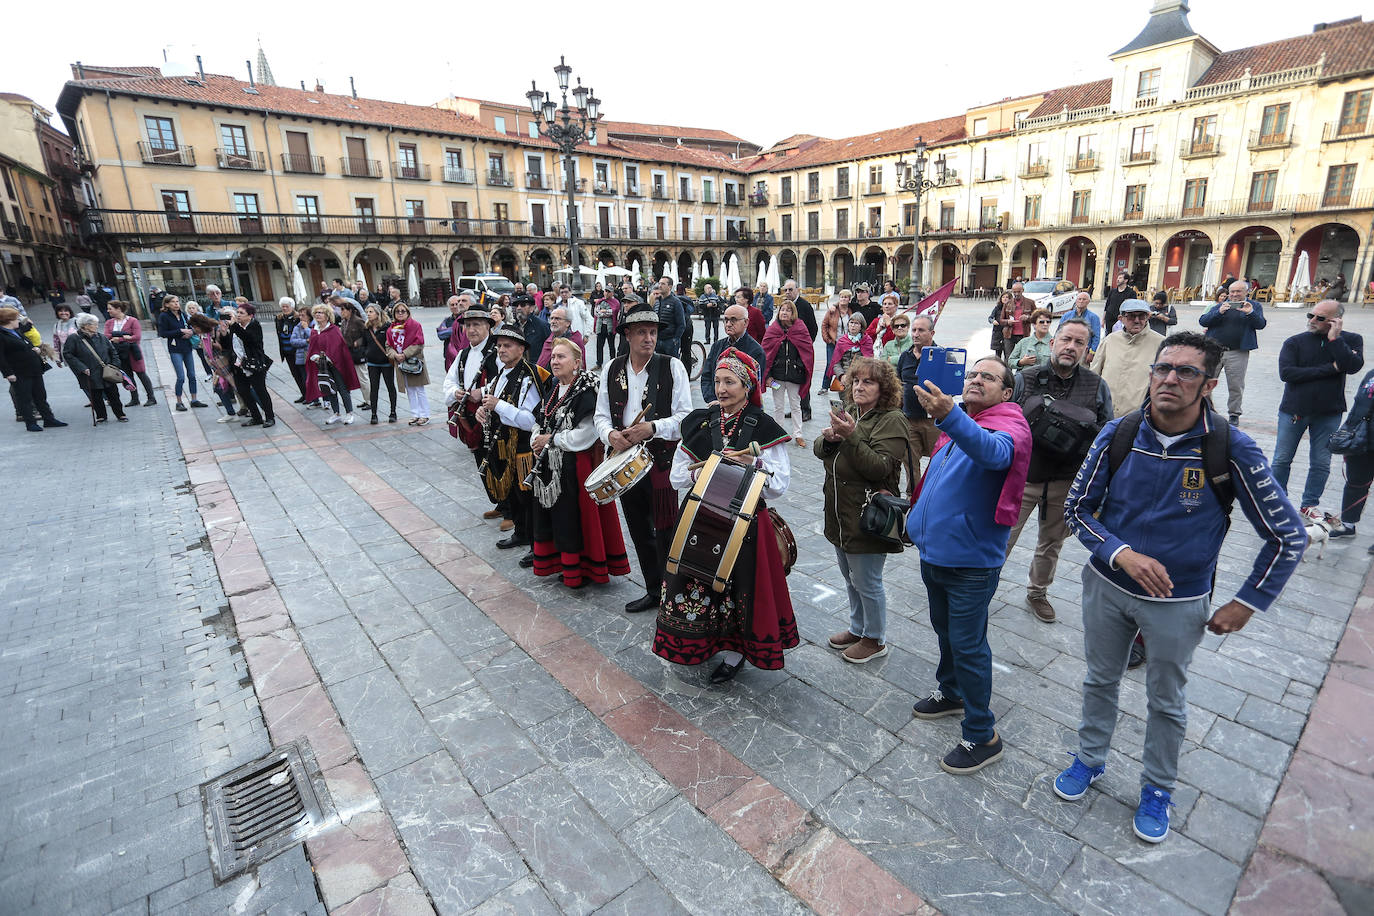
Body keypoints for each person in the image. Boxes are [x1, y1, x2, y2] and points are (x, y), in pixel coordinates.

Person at [1060, 331, 1306, 843]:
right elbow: (1076, 509)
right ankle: (1090, 758)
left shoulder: (1229, 447)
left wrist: (1248, 602)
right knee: (1100, 679)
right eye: (1162, 368)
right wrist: (1119, 552)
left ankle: (1157, 787)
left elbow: (1287, 536)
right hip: (1107, 585)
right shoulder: (1120, 432)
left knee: (1165, 699)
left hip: (1179, 601)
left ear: (1210, 384)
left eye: (1186, 371)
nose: (1170, 378)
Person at [907, 356, 1032, 774]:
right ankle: (951, 690)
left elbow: (995, 455)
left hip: (971, 564)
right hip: (936, 553)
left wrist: (951, 417)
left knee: (969, 645)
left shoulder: (1008, 423)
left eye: (988, 376)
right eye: (973, 374)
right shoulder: (962, 422)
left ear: (1007, 392)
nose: (976, 379)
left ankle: (983, 734)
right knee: (945, 631)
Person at [657, 348, 798, 683]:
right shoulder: (698, 422)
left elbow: (779, 486)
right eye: (718, 380)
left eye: (730, 382)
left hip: (745, 524)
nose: (721, 388)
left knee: (740, 588)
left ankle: (735, 653)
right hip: (699, 518)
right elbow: (677, 476)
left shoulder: (764, 427)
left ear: (747, 386)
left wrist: (755, 465)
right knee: (695, 582)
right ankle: (699, 643)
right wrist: (701, 472)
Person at [1006, 318, 1112, 622]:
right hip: (1023, 476)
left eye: (1080, 342)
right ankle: (982, 587)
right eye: (1066, 339)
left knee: (1051, 543)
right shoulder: (1025, 378)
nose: (1071, 347)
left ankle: (1037, 592)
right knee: (1002, 538)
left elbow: (1106, 436)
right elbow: (1005, 419)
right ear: (1053, 342)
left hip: (1067, 480)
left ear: (1087, 350)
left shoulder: (1096, 386)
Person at [594, 302, 692, 613]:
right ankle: (653, 589)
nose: (649, 338)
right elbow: (600, 416)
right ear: (627, 335)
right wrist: (611, 435)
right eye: (641, 333)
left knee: (666, 532)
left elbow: (686, 418)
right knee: (638, 528)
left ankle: (673, 592)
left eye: (652, 332)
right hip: (625, 461)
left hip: (661, 462)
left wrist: (651, 427)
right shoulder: (611, 368)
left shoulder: (672, 366)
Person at [817, 357, 910, 664]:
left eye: (868, 381)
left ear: (883, 389)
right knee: (850, 577)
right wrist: (828, 439)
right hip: (842, 515)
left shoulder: (892, 419)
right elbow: (821, 450)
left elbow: (879, 467)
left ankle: (875, 638)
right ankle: (858, 628)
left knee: (868, 581)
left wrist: (850, 435)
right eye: (856, 380)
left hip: (868, 516)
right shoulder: (853, 412)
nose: (858, 386)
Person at [528, 337, 631, 588]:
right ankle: (561, 562)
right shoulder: (555, 388)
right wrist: (535, 438)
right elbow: (540, 419)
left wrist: (550, 439)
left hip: (577, 466)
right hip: (551, 465)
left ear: (577, 363)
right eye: (553, 356)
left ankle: (581, 568)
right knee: (556, 516)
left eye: (560, 357)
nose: (554, 361)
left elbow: (587, 434)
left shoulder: (587, 388)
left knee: (575, 518)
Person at [1273, 300, 1364, 518]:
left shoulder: (1350, 340)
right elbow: (1287, 374)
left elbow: (1352, 367)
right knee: (1282, 459)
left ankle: (1309, 504)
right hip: (1294, 410)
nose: (1312, 321)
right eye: (1311, 315)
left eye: (1320, 318)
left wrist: (1335, 340)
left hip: (1329, 412)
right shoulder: (1294, 342)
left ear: (1336, 321)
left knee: (1321, 462)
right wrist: (1330, 369)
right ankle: (1278, 501)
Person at [476, 323, 546, 558]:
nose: (501, 350)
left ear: (521, 348)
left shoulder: (529, 377)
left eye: (507, 345)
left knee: (528, 497)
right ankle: (521, 532)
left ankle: (538, 546)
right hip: (503, 445)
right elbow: (491, 404)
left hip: (524, 448)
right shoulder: (500, 375)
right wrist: (483, 411)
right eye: (499, 346)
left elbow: (529, 420)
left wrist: (499, 406)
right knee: (513, 495)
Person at [444, 304, 499, 506]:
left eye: (476, 324)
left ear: (488, 326)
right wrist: (455, 392)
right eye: (467, 325)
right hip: (469, 418)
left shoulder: (497, 349)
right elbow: (449, 382)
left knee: (497, 462)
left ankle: (509, 508)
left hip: (492, 417)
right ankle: (497, 502)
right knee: (481, 462)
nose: (471, 330)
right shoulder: (464, 354)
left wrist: (482, 392)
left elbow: (506, 378)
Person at [1198, 280, 1266, 424]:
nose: (1234, 295)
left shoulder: (1254, 306)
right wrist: (1220, 312)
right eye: (1232, 292)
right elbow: (1203, 321)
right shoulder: (1219, 306)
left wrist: (1250, 313)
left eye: (1238, 291)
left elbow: (1261, 324)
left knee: (1235, 385)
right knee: (1206, 381)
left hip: (1238, 352)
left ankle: (1234, 414)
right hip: (1214, 350)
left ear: (1246, 292)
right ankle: (1205, 409)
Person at [1092, 300, 1164, 418]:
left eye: (1141, 316)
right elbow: (1094, 375)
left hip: (1136, 419)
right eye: (1131, 316)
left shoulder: (1161, 344)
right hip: (1102, 414)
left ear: (1147, 317)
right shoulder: (1110, 341)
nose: (1137, 320)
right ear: (1121, 318)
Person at [0, 306, 66, 431]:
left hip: (33, 368)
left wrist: (34, 348)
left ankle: (49, 419)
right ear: (8, 320)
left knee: (40, 395)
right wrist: (8, 373)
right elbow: (1, 357)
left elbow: (26, 340)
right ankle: (30, 423)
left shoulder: (16, 330)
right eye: (15, 318)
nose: (18, 321)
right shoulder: (2, 335)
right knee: (24, 398)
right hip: (18, 371)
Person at [761, 300, 814, 448]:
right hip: (777, 377)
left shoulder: (800, 329)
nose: (784, 312)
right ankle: (779, 433)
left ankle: (798, 434)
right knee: (778, 406)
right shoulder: (773, 330)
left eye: (788, 310)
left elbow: (807, 351)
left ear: (793, 313)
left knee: (795, 405)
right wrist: (768, 375)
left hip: (794, 377)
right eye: (782, 309)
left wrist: (799, 366)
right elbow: (766, 354)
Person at [1331, 366, 1374, 547]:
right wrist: (1348, 431)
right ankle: (1347, 524)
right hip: (1363, 440)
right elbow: (1358, 405)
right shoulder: (1372, 375)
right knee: (1356, 482)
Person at [895, 315, 941, 479]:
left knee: (937, 461)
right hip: (909, 420)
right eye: (913, 330)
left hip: (933, 420)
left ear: (932, 333)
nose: (915, 334)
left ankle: (933, 496)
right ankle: (912, 497)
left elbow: (951, 389)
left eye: (921, 330)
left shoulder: (942, 356)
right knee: (910, 463)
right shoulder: (905, 357)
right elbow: (898, 385)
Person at [64, 313, 129, 423]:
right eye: (94, 324)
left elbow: (112, 351)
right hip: (90, 372)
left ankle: (120, 414)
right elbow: (68, 354)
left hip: (107, 370)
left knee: (113, 394)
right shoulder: (74, 338)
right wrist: (81, 367)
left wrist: (115, 364)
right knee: (96, 395)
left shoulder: (101, 336)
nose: (97, 326)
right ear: (86, 325)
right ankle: (101, 416)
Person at [305, 305, 361, 425]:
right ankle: (336, 413)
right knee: (328, 388)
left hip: (336, 364)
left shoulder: (334, 329)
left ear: (327, 315)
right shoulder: (314, 330)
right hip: (322, 365)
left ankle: (349, 413)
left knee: (342, 388)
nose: (318, 315)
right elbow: (312, 347)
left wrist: (328, 357)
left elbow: (338, 347)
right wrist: (314, 356)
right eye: (316, 313)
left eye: (321, 313)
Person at [701, 304, 766, 403]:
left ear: (746, 322)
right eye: (726, 320)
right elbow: (706, 375)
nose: (728, 324)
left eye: (733, 320)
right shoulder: (717, 346)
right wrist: (712, 400)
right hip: (716, 404)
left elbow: (754, 387)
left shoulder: (756, 351)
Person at [228, 303, 276, 428]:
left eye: (241, 313)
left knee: (260, 390)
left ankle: (270, 417)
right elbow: (229, 344)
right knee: (243, 391)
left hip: (255, 363)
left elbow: (249, 339)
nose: (238, 315)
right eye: (237, 312)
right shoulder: (234, 327)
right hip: (238, 365)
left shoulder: (255, 326)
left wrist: (234, 326)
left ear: (250, 316)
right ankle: (256, 417)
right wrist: (223, 331)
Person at [156, 296, 206, 411]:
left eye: (177, 301)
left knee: (192, 375)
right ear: (167, 304)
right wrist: (180, 331)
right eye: (173, 302)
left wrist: (191, 332)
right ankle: (179, 402)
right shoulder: (164, 316)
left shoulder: (183, 314)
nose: (176, 304)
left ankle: (194, 399)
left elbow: (191, 327)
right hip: (175, 349)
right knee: (181, 377)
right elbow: (163, 333)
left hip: (187, 347)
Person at [105, 301, 156, 407]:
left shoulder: (133, 321)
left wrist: (119, 338)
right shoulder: (109, 323)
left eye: (110, 308)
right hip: (118, 352)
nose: (108, 311)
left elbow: (136, 337)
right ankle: (134, 398)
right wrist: (126, 336)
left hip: (133, 351)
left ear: (118, 309)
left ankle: (151, 397)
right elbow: (107, 336)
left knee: (141, 374)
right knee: (127, 376)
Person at [386, 303, 430, 426]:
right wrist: (395, 355)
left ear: (408, 312)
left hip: (414, 361)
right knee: (409, 389)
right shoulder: (391, 328)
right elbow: (388, 345)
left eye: (403, 311)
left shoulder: (415, 325)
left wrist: (404, 354)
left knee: (419, 388)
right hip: (400, 363)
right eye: (397, 311)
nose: (400, 313)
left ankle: (425, 415)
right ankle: (415, 414)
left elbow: (419, 343)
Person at [362, 304, 398, 423]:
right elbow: (364, 344)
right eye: (367, 312)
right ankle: (374, 414)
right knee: (374, 388)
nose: (368, 314)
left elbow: (392, 343)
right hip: (372, 363)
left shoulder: (387, 327)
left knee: (390, 387)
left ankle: (393, 412)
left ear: (378, 313)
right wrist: (366, 353)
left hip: (386, 362)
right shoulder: (367, 328)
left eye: (371, 311)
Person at [339, 300, 371, 411]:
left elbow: (367, 333)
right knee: (358, 378)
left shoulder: (357, 321)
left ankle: (370, 401)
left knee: (363, 377)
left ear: (350, 310)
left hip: (358, 352)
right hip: (349, 353)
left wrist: (359, 342)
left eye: (343, 309)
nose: (341, 312)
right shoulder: (344, 322)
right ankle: (366, 399)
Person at [828, 314, 874, 390]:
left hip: (860, 380)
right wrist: (841, 375)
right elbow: (836, 362)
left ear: (861, 326)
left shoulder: (867, 341)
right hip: (844, 380)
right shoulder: (842, 341)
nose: (853, 325)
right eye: (851, 322)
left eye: (856, 323)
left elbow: (869, 362)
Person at [820, 290, 852, 390]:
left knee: (845, 363)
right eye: (842, 297)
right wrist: (827, 339)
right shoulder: (832, 311)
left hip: (846, 343)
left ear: (849, 299)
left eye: (846, 297)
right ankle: (825, 386)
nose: (843, 299)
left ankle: (843, 385)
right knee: (830, 363)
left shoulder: (851, 311)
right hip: (833, 342)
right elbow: (824, 324)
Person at [1056, 291, 1102, 357]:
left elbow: (1096, 337)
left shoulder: (1094, 317)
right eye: (1079, 299)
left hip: (1083, 351)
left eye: (1084, 299)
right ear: (1076, 300)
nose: (1081, 301)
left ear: (1088, 302)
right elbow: (1058, 332)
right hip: (1065, 349)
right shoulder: (1066, 316)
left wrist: (1092, 352)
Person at [997, 283, 1032, 361]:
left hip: (1024, 335)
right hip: (1009, 335)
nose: (1016, 294)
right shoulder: (1007, 304)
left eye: (1018, 292)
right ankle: (1008, 373)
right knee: (1008, 357)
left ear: (1023, 290)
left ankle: (1020, 373)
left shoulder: (1030, 302)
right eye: (1014, 292)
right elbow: (1001, 320)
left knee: (1023, 357)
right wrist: (1008, 321)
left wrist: (1027, 317)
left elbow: (1036, 318)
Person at [652, 277, 685, 358]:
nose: (660, 286)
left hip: (670, 341)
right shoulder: (657, 302)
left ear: (670, 287)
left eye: (663, 284)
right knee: (659, 365)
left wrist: (675, 340)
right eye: (659, 283)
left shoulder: (675, 302)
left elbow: (681, 324)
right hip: (658, 340)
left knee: (671, 366)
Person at [287, 306, 313, 403]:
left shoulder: (314, 325)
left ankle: (316, 398)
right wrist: (306, 341)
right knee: (304, 378)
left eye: (303, 315)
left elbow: (313, 338)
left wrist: (306, 329)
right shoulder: (297, 327)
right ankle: (309, 397)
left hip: (311, 356)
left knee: (313, 378)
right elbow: (293, 341)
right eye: (300, 315)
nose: (301, 317)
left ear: (309, 316)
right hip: (300, 357)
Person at [437, 295, 468, 371]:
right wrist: (456, 328)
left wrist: (448, 330)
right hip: (449, 356)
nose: (455, 306)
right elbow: (441, 335)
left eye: (456, 304)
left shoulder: (465, 318)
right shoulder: (447, 320)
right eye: (452, 305)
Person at [592, 285, 620, 369]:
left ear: (612, 293)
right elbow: (597, 313)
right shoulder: (600, 301)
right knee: (599, 346)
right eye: (605, 291)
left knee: (611, 346)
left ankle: (613, 363)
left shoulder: (616, 302)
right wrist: (606, 312)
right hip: (601, 327)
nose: (606, 293)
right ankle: (599, 363)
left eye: (609, 291)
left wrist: (605, 312)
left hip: (610, 327)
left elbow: (613, 312)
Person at [50, 303, 78, 369]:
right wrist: (57, 358)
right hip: (68, 354)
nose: (63, 313)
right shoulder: (56, 325)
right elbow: (56, 343)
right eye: (60, 311)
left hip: (80, 352)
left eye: (66, 311)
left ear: (70, 312)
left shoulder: (77, 322)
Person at [989, 291, 1013, 358]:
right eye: (1003, 297)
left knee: (1007, 353)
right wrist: (993, 321)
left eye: (1007, 297)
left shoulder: (1012, 308)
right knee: (998, 354)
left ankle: (1006, 368)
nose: (1005, 299)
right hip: (998, 333)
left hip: (1007, 333)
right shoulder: (997, 308)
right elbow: (990, 318)